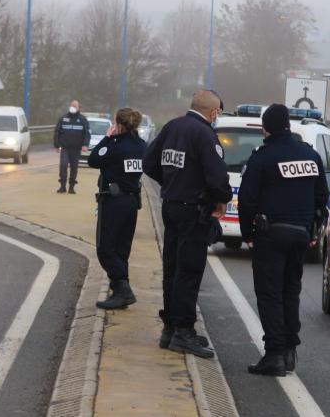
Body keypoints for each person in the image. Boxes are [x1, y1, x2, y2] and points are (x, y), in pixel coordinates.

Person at [238, 104, 329, 376]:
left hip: (271, 234)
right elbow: (322, 197)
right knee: (291, 292)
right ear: (288, 125)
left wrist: (248, 234)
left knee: (270, 294)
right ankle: (289, 351)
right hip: (301, 233)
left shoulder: (262, 158)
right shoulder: (310, 155)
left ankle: (275, 353)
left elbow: (247, 200)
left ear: (265, 128)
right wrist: (313, 230)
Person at [143, 89, 232, 359]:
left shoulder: (172, 127)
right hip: (194, 210)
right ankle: (183, 331)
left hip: (170, 206)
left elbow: (149, 163)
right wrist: (220, 198)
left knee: (171, 268)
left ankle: (170, 328)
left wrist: (172, 183)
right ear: (214, 112)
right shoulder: (205, 135)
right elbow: (217, 178)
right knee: (189, 271)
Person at [88, 108, 147, 309]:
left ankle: (123, 290)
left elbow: (93, 160)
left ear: (118, 125)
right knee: (122, 249)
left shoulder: (114, 145)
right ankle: (119, 292)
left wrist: (106, 139)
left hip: (113, 202)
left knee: (105, 249)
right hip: (131, 202)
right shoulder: (141, 146)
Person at [53, 100, 91, 194]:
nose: (73, 107)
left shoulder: (83, 119)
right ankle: (62, 186)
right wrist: (56, 145)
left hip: (76, 148)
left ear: (79, 108)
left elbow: (87, 133)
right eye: (72, 105)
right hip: (65, 147)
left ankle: (71, 187)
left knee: (74, 167)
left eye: (75, 106)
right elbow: (57, 132)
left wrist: (85, 144)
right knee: (63, 165)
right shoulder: (63, 118)